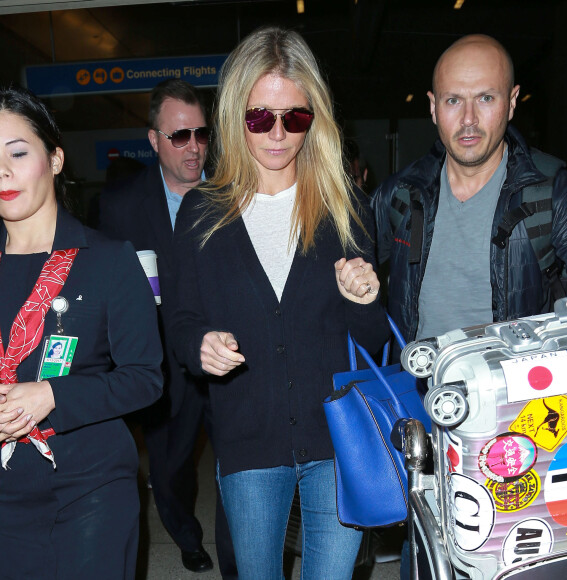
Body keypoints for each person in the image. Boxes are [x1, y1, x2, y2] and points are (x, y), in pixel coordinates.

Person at [171, 26, 389, 580]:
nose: (277, 133)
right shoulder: (202, 212)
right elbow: (180, 318)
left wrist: (365, 300)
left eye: (294, 117)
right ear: (233, 115)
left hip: (338, 441)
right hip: (247, 438)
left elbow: (371, 342)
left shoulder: (345, 208)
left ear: (313, 117)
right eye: (258, 116)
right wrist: (200, 346)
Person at [0, 85, 163, 579]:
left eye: (18, 153)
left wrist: (52, 394)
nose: (2, 172)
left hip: (90, 488)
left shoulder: (110, 260)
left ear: (54, 159)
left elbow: (146, 378)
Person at [98, 78, 235, 577]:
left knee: (239, 467)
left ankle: (237, 550)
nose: (194, 147)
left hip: (228, 355)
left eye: (201, 134)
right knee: (171, 466)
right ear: (154, 139)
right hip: (159, 359)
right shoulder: (120, 205)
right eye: (179, 136)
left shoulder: (233, 193)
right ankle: (185, 534)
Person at [371, 34, 567, 345]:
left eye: (485, 98)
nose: (468, 119)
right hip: (417, 387)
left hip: (514, 390)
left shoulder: (555, 192)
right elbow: (341, 271)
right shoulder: (401, 193)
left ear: (511, 102)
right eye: (453, 100)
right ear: (433, 106)